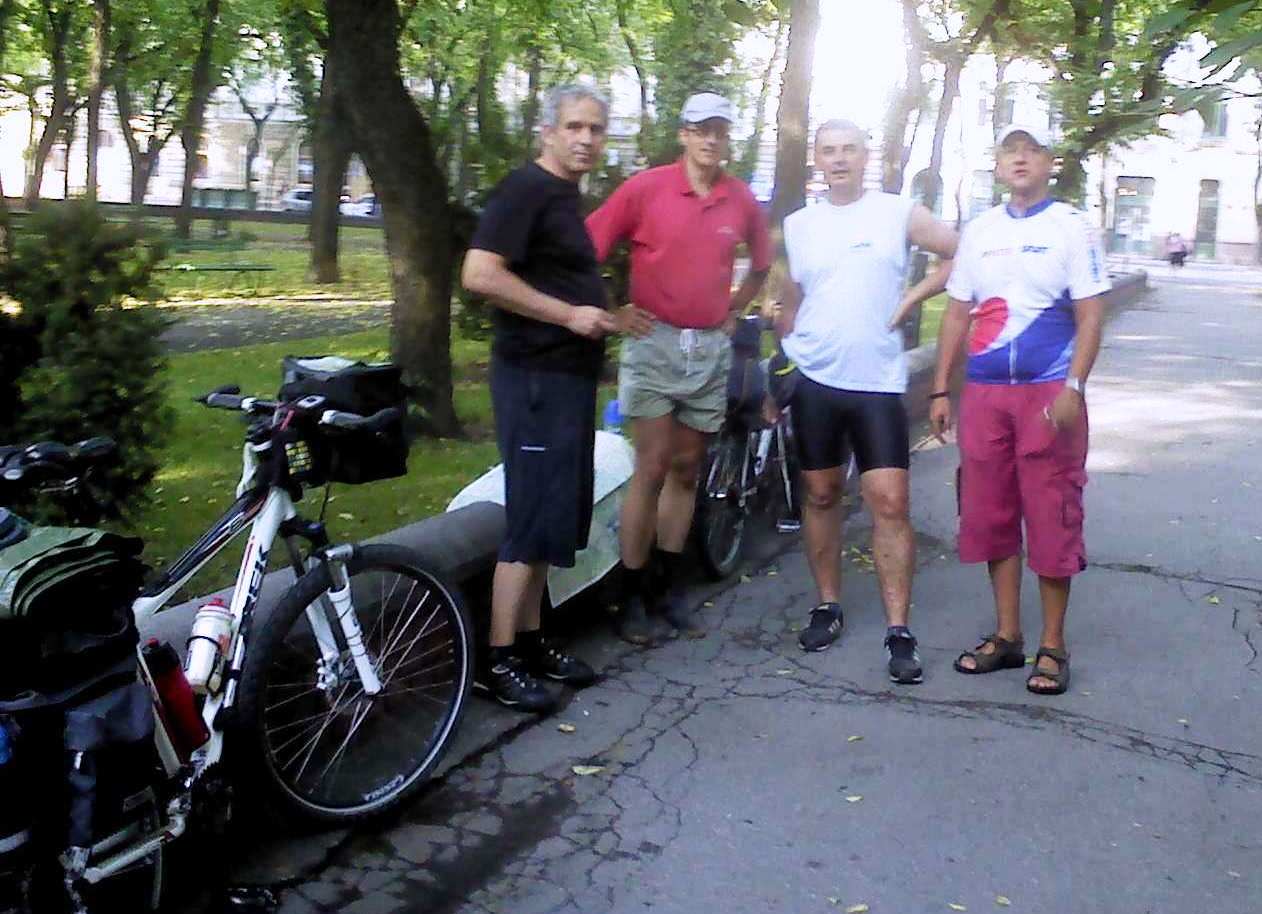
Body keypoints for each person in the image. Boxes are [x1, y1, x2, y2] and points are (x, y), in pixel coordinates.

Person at [461, 84, 630, 712]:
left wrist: (603, 317)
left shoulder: (562, 196)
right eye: (574, 126)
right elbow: (480, 273)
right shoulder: (525, 189)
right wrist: (568, 315)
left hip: (565, 381)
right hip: (533, 380)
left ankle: (532, 642)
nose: (585, 139)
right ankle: (497, 659)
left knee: (555, 515)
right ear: (548, 132)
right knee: (531, 517)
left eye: (596, 129)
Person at [774, 119, 958, 684]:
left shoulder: (896, 213)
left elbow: (964, 253)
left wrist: (914, 295)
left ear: (865, 156)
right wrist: (779, 369)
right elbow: (788, 301)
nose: (839, 159)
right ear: (817, 159)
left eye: (849, 149)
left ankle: (898, 629)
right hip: (815, 379)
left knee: (891, 502)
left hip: (877, 381)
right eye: (829, 151)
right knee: (822, 493)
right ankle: (827, 604)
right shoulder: (799, 225)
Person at [929, 123, 1110, 696]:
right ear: (999, 163)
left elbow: (1091, 314)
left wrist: (1073, 387)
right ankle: (1008, 636)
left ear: (1050, 162)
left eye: (1032, 150)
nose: (1021, 159)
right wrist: (940, 389)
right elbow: (957, 313)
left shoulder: (1071, 226)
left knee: (1052, 513)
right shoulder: (980, 230)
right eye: (1011, 150)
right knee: (990, 513)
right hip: (985, 393)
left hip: (1047, 391)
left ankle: (1053, 645)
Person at [586, 91, 772, 644]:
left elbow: (762, 265)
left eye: (720, 130)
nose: (711, 139)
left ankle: (667, 591)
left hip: (709, 349)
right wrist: (613, 311)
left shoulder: (739, 197)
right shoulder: (646, 188)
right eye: (701, 129)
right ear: (683, 135)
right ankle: (630, 594)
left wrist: (733, 311)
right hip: (654, 342)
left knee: (688, 468)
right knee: (652, 467)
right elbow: (586, 248)